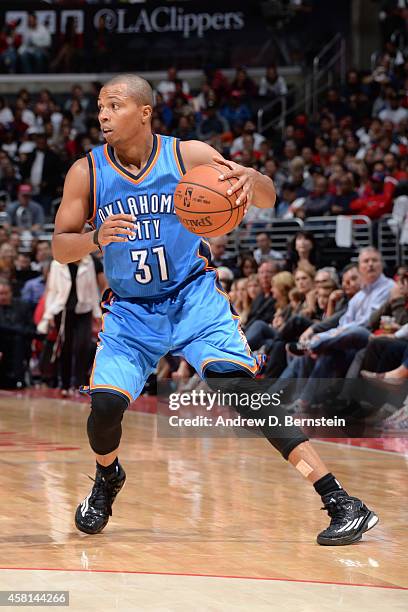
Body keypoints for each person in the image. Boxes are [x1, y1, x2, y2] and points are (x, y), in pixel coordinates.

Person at [52, 73, 378, 546]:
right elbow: (60, 248)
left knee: (246, 393)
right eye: (99, 106)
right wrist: (94, 238)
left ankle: (340, 500)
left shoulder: (189, 155)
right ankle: (107, 478)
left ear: (144, 112)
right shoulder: (87, 172)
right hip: (131, 312)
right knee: (105, 407)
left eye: (114, 105)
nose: (102, 114)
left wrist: (254, 179)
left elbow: (266, 197)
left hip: (192, 298)